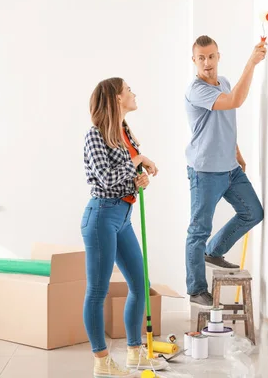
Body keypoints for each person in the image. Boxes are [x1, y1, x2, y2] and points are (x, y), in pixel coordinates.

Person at [81, 77, 167, 377]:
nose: (133, 93)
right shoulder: (95, 135)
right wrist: (139, 161)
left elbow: (125, 175)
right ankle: (102, 361)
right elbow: (104, 179)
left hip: (124, 216)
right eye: (128, 90)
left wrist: (139, 179)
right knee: (97, 291)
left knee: (140, 284)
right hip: (101, 217)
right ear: (117, 99)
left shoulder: (125, 132)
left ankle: (134, 353)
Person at [184, 36, 266, 307]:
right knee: (198, 230)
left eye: (211, 56)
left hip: (230, 168)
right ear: (194, 61)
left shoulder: (226, 82)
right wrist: (252, 62)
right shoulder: (197, 90)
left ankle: (214, 252)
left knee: (253, 212)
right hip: (205, 171)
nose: (207, 63)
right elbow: (234, 102)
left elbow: (226, 121)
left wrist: (237, 153)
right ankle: (197, 289)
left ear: (218, 56)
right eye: (201, 58)